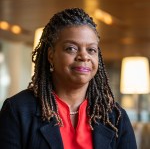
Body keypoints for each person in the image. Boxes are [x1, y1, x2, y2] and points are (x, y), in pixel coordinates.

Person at [0, 8, 137, 149]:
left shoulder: (115, 117)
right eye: (71, 48)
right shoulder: (18, 110)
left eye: (91, 50)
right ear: (51, 55)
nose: (84, 56)